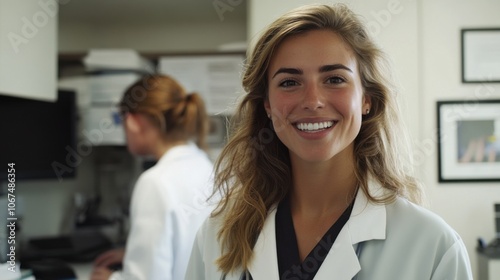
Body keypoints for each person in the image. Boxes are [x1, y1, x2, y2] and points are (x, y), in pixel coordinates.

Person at [185, 4, 472, 280]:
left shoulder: (432, 246)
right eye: (289, 82)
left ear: (366, 99)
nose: (312, 101)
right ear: (268, 106)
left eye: (334, 79)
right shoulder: (218, 235)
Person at [91, 74, 214, 280]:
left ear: (132, 121)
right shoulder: (207, 166)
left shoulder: (156, 182)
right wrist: (135, 255)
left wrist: (109, 279)